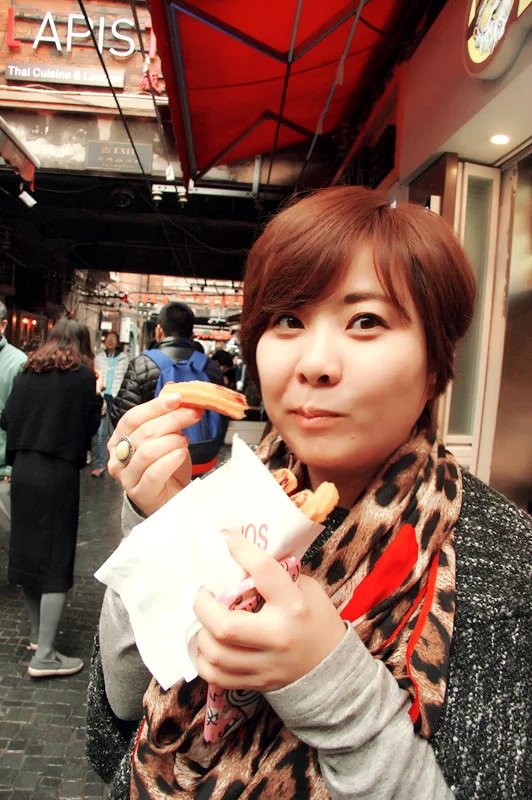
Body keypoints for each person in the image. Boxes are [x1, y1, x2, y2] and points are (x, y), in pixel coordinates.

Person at [90, 187, 531, 798]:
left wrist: (328, 682)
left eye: (367, 321)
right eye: (289, 320)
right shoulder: (223, 496)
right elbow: (121, 708)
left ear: (435, 362)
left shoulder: (505, 567)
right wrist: (155, 524)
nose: (315, 363)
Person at [1, 319, 104, 677]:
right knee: (56, 562)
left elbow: (6, 419)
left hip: (23, 470)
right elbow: (89, 426)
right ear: (82, 344)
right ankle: (44, 656)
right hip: (58, 474)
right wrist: (97, 400)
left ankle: (36, 636)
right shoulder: (82, 375)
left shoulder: (28, 370)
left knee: (30, 557)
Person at [111, 302, 226, 474]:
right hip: (202, 461)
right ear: (192, 334)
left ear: (159, 331)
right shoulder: (210, 367)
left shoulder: (142, 364)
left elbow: (121, 415)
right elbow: (222, 417)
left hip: (154, 463)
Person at [0, 301, 27, 541]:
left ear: (3, 325)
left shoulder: (18, 362)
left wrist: (10, 466)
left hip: (2, 468)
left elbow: (20, 418)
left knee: (7, 535)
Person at [92, 331, 129, 477]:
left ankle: (117, 465)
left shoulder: (124, 358)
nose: (110, 341)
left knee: (116, 433)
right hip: (102, 398)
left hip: (116, 399)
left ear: (118, 341)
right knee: (101, 433)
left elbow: (126, 379)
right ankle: (100, 465)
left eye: (113, 338)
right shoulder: (99, 358)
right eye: (108, 338)